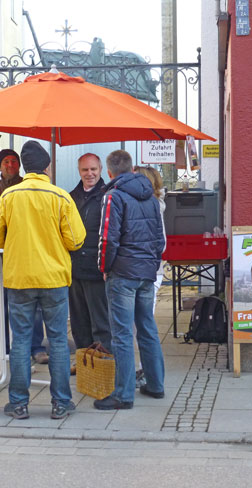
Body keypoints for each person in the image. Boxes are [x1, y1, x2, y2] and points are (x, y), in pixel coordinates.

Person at [0, 140, 86, 420]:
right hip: (54, 279)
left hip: (19, 278)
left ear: (24, 167)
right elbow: (76, 240)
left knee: (20, 341)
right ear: (46, 167)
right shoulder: (60, 197)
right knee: (56, 340)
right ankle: (61, 403)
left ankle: (18, 403)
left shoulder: (9, 196)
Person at [95, 150, 166, 410]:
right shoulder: (151, 197)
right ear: (132, 169)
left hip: (123, 273)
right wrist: (152, 265)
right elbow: (159, 239)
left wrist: (104, 267)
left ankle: (123, 395)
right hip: (146, 272)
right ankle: (156, 385)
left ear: (109, 171)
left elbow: (107, 239)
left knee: (122, 335)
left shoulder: (113, 196)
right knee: (147, 329)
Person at [0, 149, 49, 365]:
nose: (10, 165)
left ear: (20, 166)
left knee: (32, 302)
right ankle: (2, 347)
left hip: (26, 255)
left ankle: (36, 347)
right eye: (6, 161)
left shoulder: (28, 188)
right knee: (1, 303)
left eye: (14, 161)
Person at [68, 153, 111, 362]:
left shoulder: (108, 195)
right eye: (85, 170)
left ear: (101, 169)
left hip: (97, 270)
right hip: (74, 268)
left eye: (93, 169)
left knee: (100, 323)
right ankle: (84, 363)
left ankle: (103, 364)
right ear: (79, 171)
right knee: (79, 322)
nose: (90, 174)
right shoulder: (71, 197)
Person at [132, 165, 166, 387]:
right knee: (144, 326)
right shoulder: (156, 205)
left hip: (144, 273)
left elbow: (159, 243)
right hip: (150, 271)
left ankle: (147, 374)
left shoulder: (152, 206)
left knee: (142, 327)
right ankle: (152, 377)